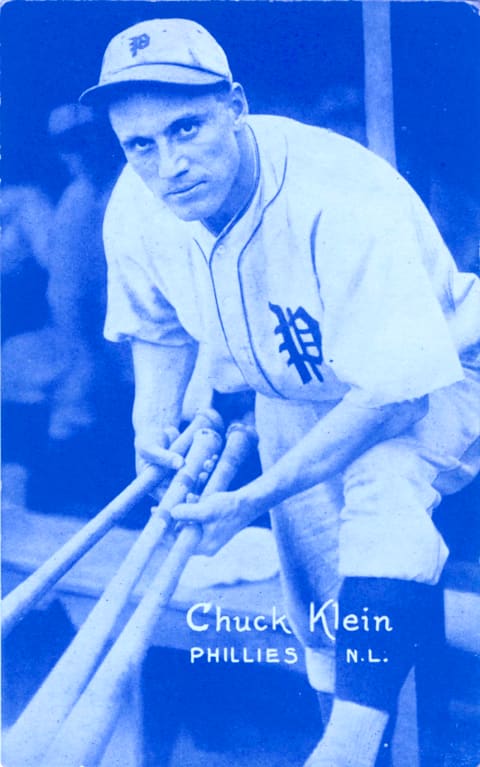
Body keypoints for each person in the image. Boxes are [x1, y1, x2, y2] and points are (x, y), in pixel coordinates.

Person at [80, 19, 480, 767]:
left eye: (187, 127)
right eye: (141, 145)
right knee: (325, 604)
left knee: (384, 496)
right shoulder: (142, 203)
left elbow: (393, 395)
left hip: (439, 366)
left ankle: (349, 751)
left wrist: (256, 493)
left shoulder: (339, 196)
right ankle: (364, 741)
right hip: (294, 392)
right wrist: (154, 417)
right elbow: (159, 326)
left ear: (235, 103)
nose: (170, 164)